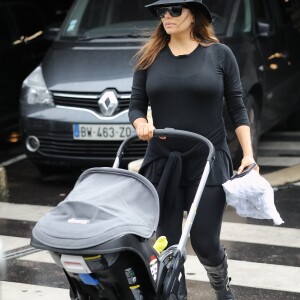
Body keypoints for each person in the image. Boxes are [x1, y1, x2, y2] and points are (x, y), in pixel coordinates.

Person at [129, 0, 259, 299]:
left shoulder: (219, 54)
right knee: (166, 243)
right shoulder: (149, 57)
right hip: (162, 161)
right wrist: (140, 123)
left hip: (208, 159)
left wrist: (248, 155)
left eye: (175, 10)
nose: (167, 16)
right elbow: (136, 105)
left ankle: (221, 286)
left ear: (194, 15)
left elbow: (237, 107)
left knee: (204, 242)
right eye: (162, 12)